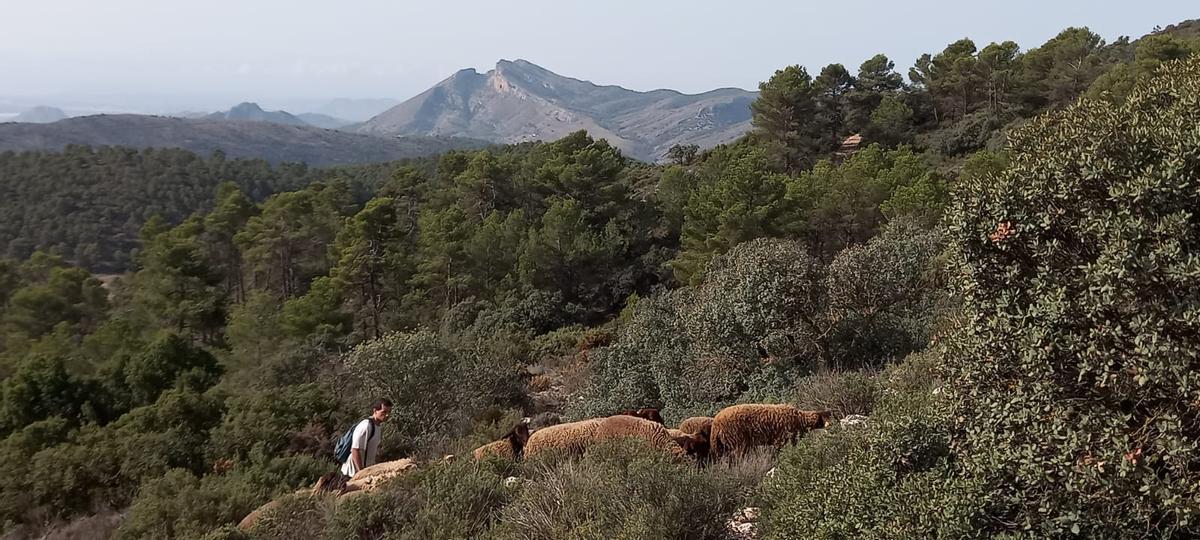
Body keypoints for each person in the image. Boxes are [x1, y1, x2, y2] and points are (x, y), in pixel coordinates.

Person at [340, 398, 392, 477]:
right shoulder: (366, 426)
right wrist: (360, 473)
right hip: (352, 474)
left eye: (389, 412)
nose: (387, 415)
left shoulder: (377, 427)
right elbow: (355, 450)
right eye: (384, 412)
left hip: (365, 473)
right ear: (375, 411)